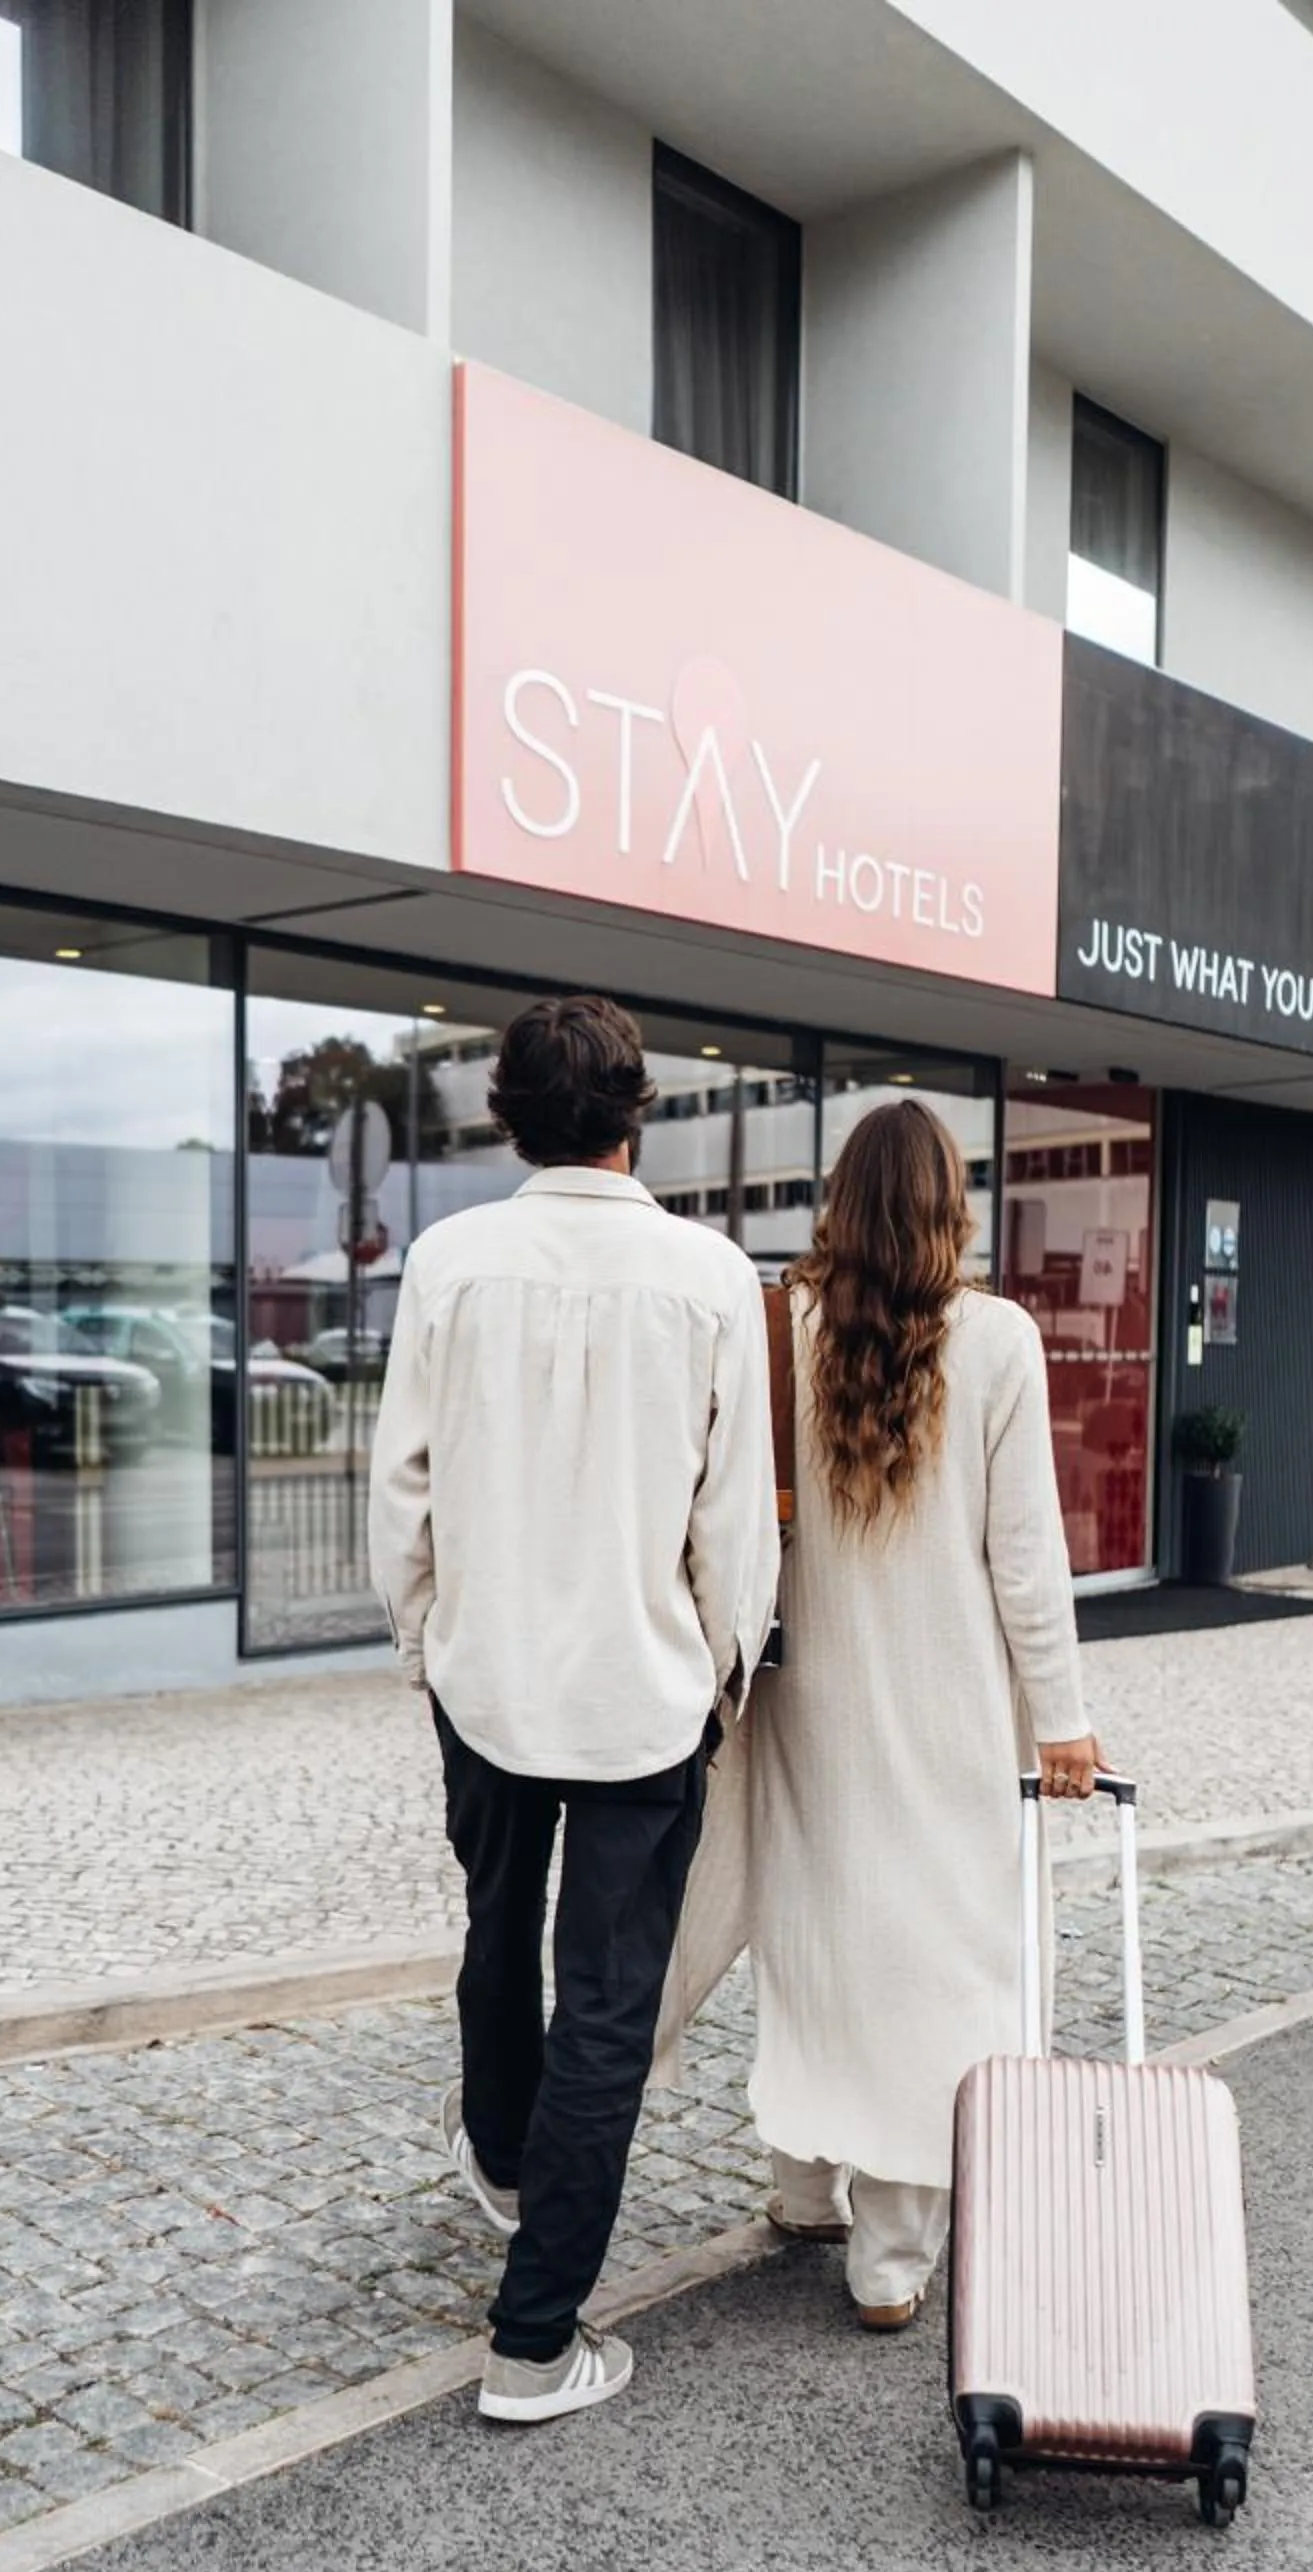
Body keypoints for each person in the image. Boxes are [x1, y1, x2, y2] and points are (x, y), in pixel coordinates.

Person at [369, 994, 781, 2425]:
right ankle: (536, 2340)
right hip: (645, 1688)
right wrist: (729, 1663)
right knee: (607, 1997)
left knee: (497, 1921)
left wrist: (423, 1633)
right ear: (636, 1112)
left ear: (507, 1115)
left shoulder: (449, 1262)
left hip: (485, 1675)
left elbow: (400, 1484)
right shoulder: (709, 1275)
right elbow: (733, 1517)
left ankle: (498, 2154)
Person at [662, 1097, 1107, 2328]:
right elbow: (1025, 1558)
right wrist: (1062, 1718)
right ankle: (891, 2260)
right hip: (954, 1708)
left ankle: (804, 2186)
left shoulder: (773, 1329)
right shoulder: (999, 1340)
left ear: (838, 1204)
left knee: (813, 1936)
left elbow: (729, 1522)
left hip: (809, 1704)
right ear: (945, 1209)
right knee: (943, 1963)